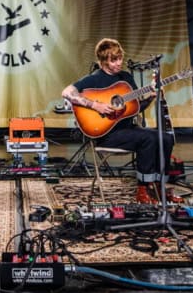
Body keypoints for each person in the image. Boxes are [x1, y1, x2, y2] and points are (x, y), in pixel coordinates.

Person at [62, 38, 176, 203]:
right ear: (102, 61)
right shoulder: (95, 79)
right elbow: (67, 92)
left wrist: (151, 97)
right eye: (113, 60)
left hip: (129, 130)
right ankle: (142, 190)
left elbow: (135, 108)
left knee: (166, 138)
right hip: (107, 135)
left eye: (119, 58)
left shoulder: (126, 78)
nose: (118, 63)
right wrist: (95, 105)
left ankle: (159, 187)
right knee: (149, 138)